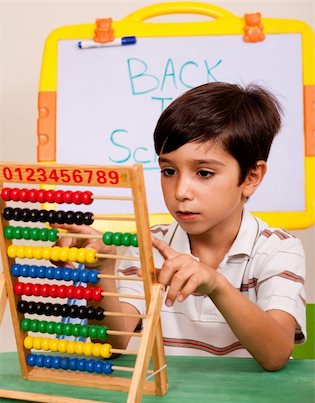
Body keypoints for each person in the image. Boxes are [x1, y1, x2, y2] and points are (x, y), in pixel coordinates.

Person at [55, 82, 306, 371]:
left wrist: (215, 285)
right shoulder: (149, 245)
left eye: (203, 173)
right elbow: (112, 344)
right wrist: (101, 271)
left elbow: (275, 355)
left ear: (251, 176)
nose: (181, 191)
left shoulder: (277, 249)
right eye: (169, 171)